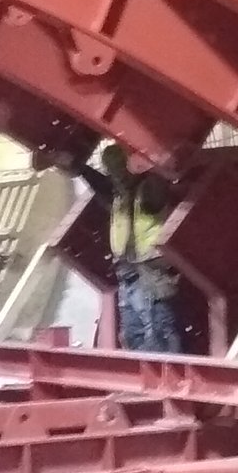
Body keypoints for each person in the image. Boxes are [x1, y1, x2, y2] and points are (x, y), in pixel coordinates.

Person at [97, 142, 182, 354]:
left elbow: (156, 194)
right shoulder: (120, 195)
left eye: (117, 168)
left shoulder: (149, 188)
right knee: (133, 333)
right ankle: (149, 372)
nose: (115, 175)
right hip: (128, 270)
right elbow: (98, 184)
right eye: (111, 169)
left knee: (159, 330)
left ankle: (168, 374)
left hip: (151, 269)